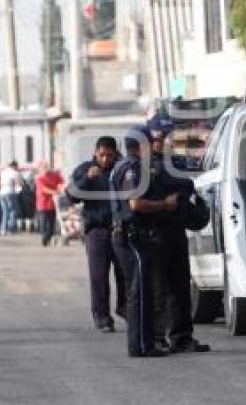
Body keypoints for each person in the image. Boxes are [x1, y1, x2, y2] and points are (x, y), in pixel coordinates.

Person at [144, 114, 211, 353]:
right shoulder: (143, 165)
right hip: (154, 231)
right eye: (159, 135)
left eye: (168, 135)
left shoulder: (176, 163)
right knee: (158, 287)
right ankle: (157, 337)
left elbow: (187, 187)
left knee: (180, 286)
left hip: (175, 229)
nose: (163, 140)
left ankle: (181, 337)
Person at [109, 125, 172, 358]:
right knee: (140, 293)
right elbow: (135, 204)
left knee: (138, 291)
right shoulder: (133, 168)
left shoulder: (122, 166)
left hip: (127, 234)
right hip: (131, 236)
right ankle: (142, 345)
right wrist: (165, 204)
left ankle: (141, 344)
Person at [68, 136, 127, 332]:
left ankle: (125, 307)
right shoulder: (85, 169)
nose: (105, 159)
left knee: (125, 273)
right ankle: (102, 317)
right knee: (99, 275)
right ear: (95, 153)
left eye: (109, 155)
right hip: (97, 230)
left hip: (120, 229)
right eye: (101, 155)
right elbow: (71, 195)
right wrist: (87, 178)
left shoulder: (123, 169)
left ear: (116, 153)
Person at [35, 161, 64, 247]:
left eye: (46, 167)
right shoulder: (40, 178)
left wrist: (61, 187)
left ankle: (48, 236)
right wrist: (55, 192)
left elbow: (61, 182)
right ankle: (44, 238)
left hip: (53, 204)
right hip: (42, 204)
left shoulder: (54, 176)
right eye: (43, 167)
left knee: (51, 223)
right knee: (44, 223)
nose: (45, 169)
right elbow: (43, 189)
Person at [0, 161, 23, 235]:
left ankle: (3, 229)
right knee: (13, 211)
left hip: (1, 193)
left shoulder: (3, 172)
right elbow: (20, 183)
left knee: (5, 212)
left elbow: (0, 182)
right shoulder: (14, 173)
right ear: (14, 166)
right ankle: (11, 229)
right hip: (10, 193)